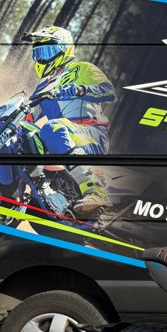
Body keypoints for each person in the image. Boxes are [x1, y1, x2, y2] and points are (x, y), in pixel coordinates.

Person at [23, 26, 116, 219]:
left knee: (52, 127)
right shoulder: (42, 87)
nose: (41, 58)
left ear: (64, 49)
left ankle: (96, 190)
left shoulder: (83, 68)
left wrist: (80, 90)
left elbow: (109, 91)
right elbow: (28, 115)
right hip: (61, 139)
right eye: (38, 53)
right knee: (24, 136)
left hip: (92, 135)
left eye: (47, 52)